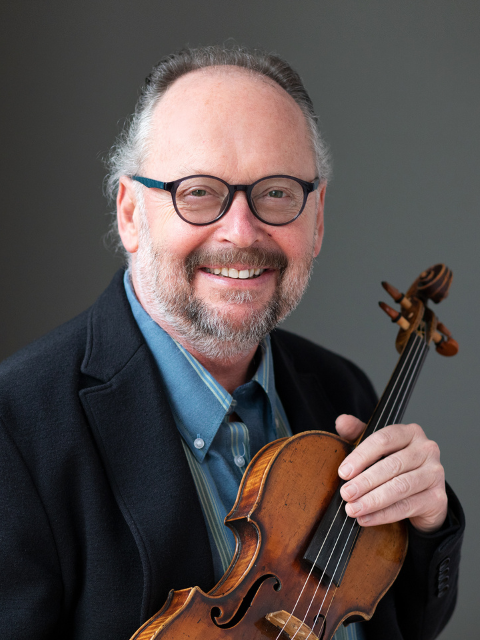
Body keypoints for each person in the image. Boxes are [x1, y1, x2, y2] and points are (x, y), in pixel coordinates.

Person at [0, 46, 463, 640]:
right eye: (197, 192)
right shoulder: (16, 428)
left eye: (275, 193)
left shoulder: (340, 390)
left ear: (316, 219)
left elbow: (394, 622)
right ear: (131, 213)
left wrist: (427, 525)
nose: (242, 231)